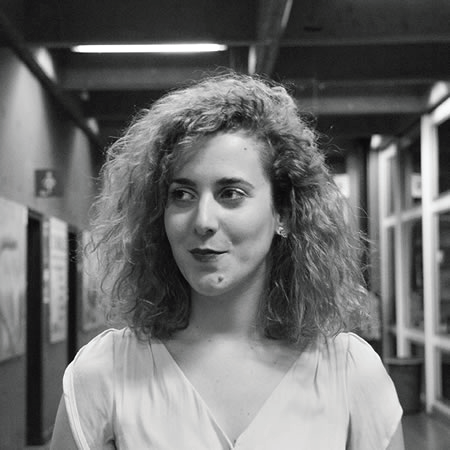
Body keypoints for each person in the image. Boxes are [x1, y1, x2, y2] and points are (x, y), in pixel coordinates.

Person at [50, 72, 404, 449]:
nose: (203, 220)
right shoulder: (106, 371)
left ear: (283, 214)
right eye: (182, 195)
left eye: (231, 193)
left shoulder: (350, 373)